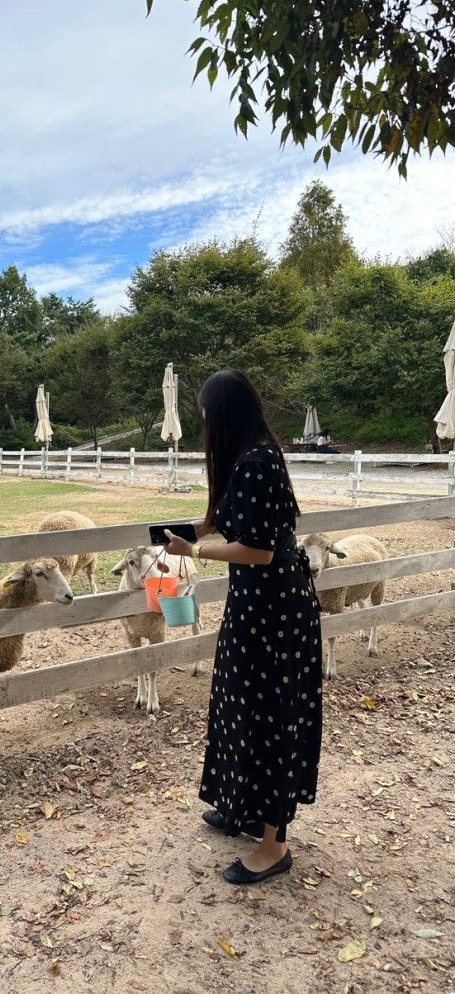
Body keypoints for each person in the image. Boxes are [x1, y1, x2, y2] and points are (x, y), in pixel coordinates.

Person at [164, 370, 322, 885]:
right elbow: (231, 518)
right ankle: (244, 808)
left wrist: (196, 551)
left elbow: (260, 548)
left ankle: (274, 846)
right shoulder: (247, 460)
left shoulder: (257, 463)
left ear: (224, 414)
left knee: (270, 714)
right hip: (256, 606)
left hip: (275, 612)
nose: (204, 421)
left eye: (207, 413)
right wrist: (195, 527)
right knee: (239, 704)